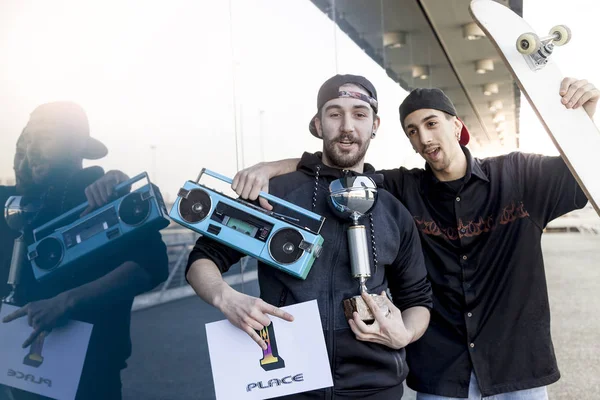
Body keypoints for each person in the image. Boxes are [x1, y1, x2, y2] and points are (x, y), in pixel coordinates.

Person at [230, 77, 599, 399]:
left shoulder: (520, 176)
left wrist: (591, 112)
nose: (423, 137)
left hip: (517, 370)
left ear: (457, 126)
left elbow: (589, 170)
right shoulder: (401, 188)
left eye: (431, 123)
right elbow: (337, 165)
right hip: (442, 376)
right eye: (411, 130)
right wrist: (270, 168)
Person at [185, 74, 433, 399]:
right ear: (318, 123)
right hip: (287, 380)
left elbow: (417, 299)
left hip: (375, 385)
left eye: (359, 114)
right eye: (334, 113)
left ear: (375, 125)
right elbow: (202, 260)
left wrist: (406, 334)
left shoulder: (393, 209)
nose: (347, 126)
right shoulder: (274, 195)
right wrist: (226, 298)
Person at [0, 101, 169, 400]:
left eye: (46, 137)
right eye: (27, 139)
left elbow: (152, 264)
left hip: (88, 373)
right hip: (12, 371)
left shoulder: (103, 196)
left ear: (76, 146)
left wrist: (67, 302)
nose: (32, 148)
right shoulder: (12, 203)